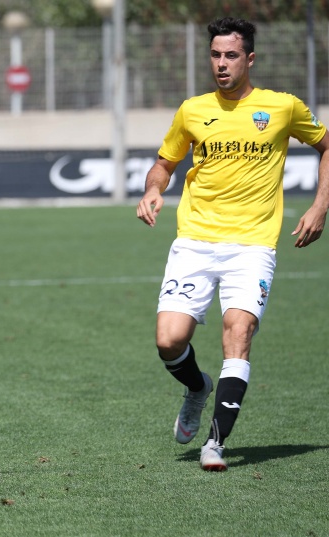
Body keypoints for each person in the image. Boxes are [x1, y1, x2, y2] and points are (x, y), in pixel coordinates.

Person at [137, 17, 329, 472]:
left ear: (249, 59)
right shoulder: (192, 110)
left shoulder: (282, 108)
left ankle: (215, 444)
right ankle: (197, 389)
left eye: (230, 56)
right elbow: (165, 163)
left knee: (237, 334)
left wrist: (320, 206)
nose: (221, 64)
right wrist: (152, 189)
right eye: (215, 55)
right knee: (169, 341)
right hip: (195, 241)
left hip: (253, 246)